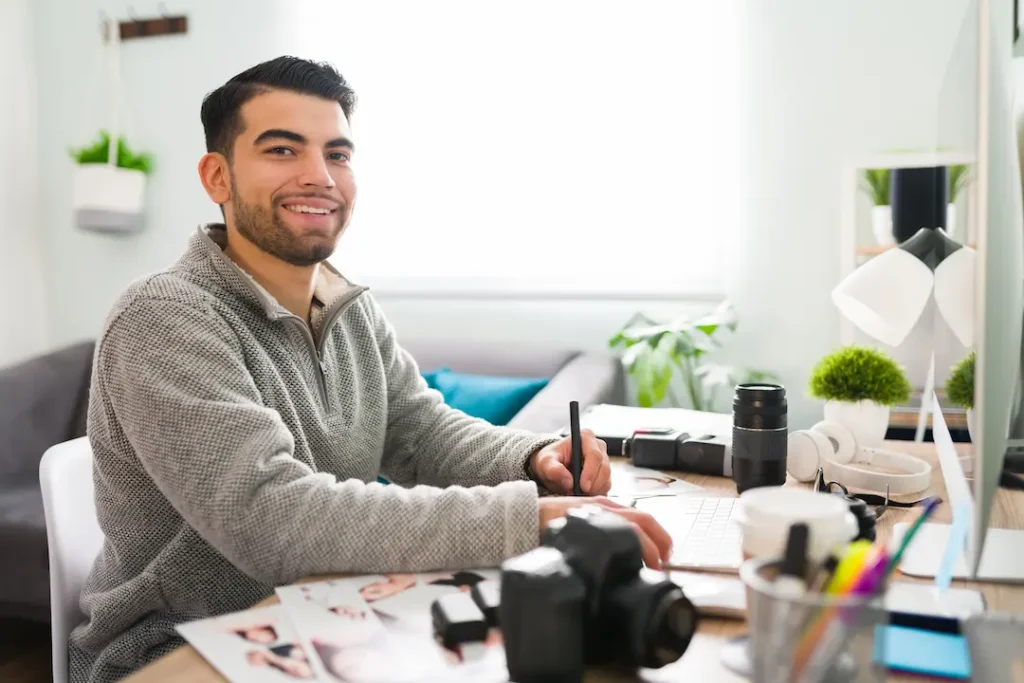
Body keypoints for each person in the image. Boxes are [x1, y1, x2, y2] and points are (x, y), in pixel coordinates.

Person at [67, 56, 673, 683]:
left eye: (338, 153)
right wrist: (531, 517)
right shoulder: (164, 318)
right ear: (217, 176)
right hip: (180, 649)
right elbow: (273, 519)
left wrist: (535, 458)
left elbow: (422, 433)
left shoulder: (346, 307)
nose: (318, 176)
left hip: (333, 612)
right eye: (282, 150)